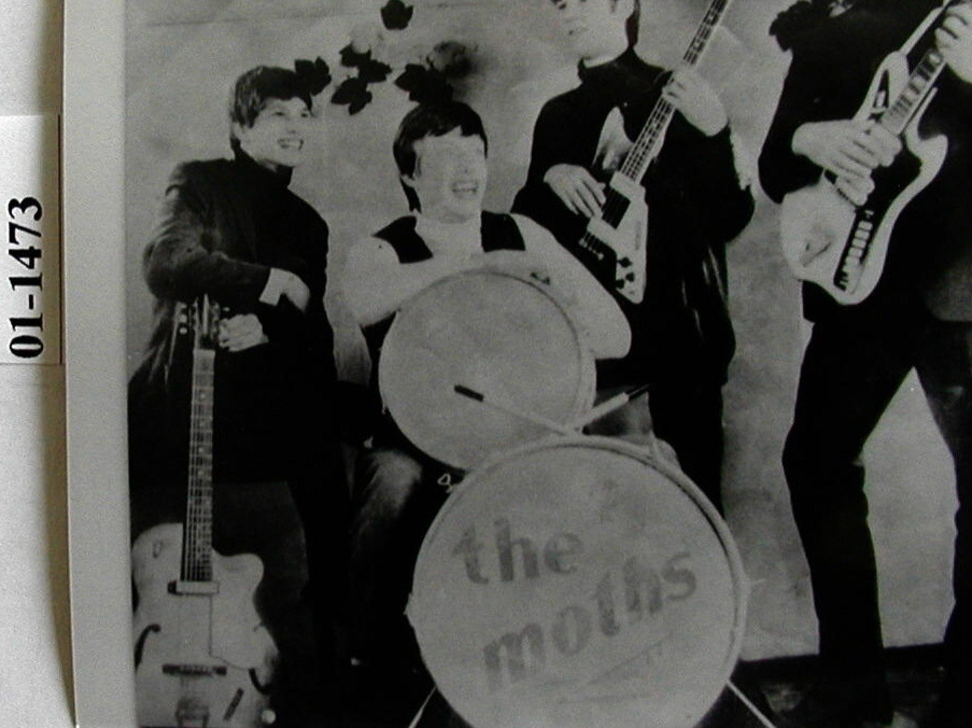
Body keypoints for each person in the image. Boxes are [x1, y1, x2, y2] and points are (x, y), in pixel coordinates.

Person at [757, 0, 972, 726]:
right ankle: (853, 685)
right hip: (859, 283)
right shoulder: (827, 38)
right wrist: (816, 138)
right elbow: (773, 164)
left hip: (964, 285)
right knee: (815, 461)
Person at [341, 100, 630, 726]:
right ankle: (368, 663)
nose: (468, 170)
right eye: (447, 157)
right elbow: (365, 303)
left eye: (475, 154)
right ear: (410, 174)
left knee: (593, 492)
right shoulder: (380, 249)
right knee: (389, 489)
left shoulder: (524, 233)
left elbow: (616, 335)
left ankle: (574, 666)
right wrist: (480, 265)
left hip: (515, 436)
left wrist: (556, 298)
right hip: (416, 439)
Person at [128, 64, 357, 721]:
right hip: (187, 402)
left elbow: (312, 331)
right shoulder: (199, 182)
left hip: (268, 416)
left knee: (324, 480)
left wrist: (271, 329)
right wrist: (268, 284)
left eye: (303, 114)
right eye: (277, 113)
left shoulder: (308, 223)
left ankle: (319, 684)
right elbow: (167, 263)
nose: (295, 126)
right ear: (240, 126)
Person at [511, 0, 754, 513]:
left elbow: (730, 217)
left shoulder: (681, 95)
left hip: (680, 331)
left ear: (625, 6)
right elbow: (525, 228)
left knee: (694, 500)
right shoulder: (557, 114)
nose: (569, 14)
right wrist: (550, 177)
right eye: (562, 5)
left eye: (583, 0)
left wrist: (715, 130)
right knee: (595, 499)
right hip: (593, 330)